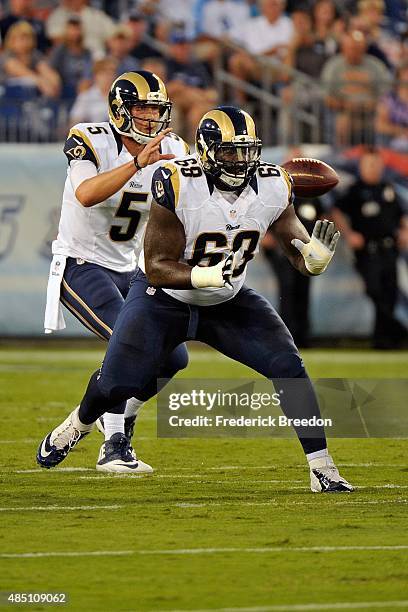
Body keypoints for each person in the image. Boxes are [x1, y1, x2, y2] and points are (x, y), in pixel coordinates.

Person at [38, 105, 353, 493]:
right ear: (206, 150)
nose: (240, 161)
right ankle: (80, 424)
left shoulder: (274, 184)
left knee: (289, 367)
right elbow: (155, 265)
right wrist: (204, 274)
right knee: (118, 384)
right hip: (162, 299)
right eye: (229, 152)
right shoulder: (177, 183)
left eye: (247, 151)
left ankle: (322, 469)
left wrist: (312, 260)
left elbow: (294, 247)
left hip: (228, 300)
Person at [43, 70, 190, 472]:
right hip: (82, 262)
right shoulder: (91, 138)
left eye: (156, 109)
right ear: (120, 110)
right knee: (133, 348)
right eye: (141, 108)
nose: (149, 118)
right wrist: (136, 164)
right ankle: (115, 442)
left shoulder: (174, 147)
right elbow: (87, 194)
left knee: (174, 357)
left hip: (133, 268)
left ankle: (82, 422)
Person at [331, 147, 408, 349]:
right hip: (368, 251)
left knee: (389, 293)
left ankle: (384, 340)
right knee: (375, 290)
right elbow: (336, 211)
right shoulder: (355, 190)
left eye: (376, 164)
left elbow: (402, 214)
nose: (373, 168)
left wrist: (404, 231)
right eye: (369, 164)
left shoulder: (388, 188)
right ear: (362, 166)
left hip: (389, 249)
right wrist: (349, 234)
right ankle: (396, 330)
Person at [262, 195, 324, 347]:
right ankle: (287, 336)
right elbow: (264, 215)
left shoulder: (310, 196)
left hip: (307, 252)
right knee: (287, 290)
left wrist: (319, 242)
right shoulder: (279, 192)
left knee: (303, 291)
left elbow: (323, 217)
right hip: (283, 252)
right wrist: (265, 234)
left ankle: (303, 336)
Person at [321, 29, 393, 146]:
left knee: (383, 119)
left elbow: (386, 95)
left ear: (364, 49)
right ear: (344, 48)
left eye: (358, 49)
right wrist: (345, 105)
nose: (354, 52)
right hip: (343, 111)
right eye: (351, 49)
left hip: (370, 112)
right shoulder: (333, 66)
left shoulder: (375, 65)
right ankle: (340, 158)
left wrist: (374, 104)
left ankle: (378, 157)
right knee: (342, 122)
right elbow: (327, 96)